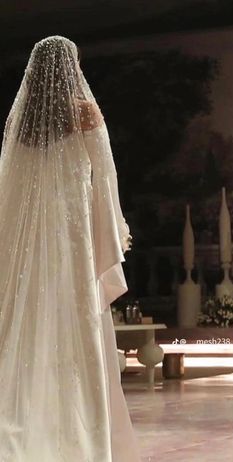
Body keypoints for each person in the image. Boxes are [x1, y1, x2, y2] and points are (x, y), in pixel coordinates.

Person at [0, 35, 141, 462]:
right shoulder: (85, 113)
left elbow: (9, 192)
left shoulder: (19, 124)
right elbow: (107, 175)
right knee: (77, 328)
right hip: (72, 240)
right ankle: (81, 439)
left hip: (31, 249)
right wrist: (114, 229)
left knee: (29, 330)